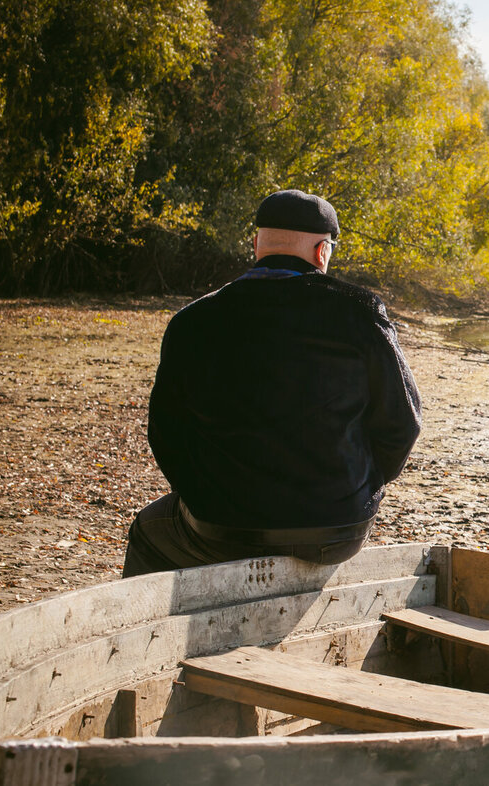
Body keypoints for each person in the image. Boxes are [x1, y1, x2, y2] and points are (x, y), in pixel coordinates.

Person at [122, 189, 422, 577]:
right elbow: (403, 423)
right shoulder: (361, 314)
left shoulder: (192, 321)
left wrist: (204, 495)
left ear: (255, 246)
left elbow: (165, 432)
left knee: (149, 533)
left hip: (220, 528)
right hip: (338, 527)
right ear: (322, 252)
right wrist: (358, 489)